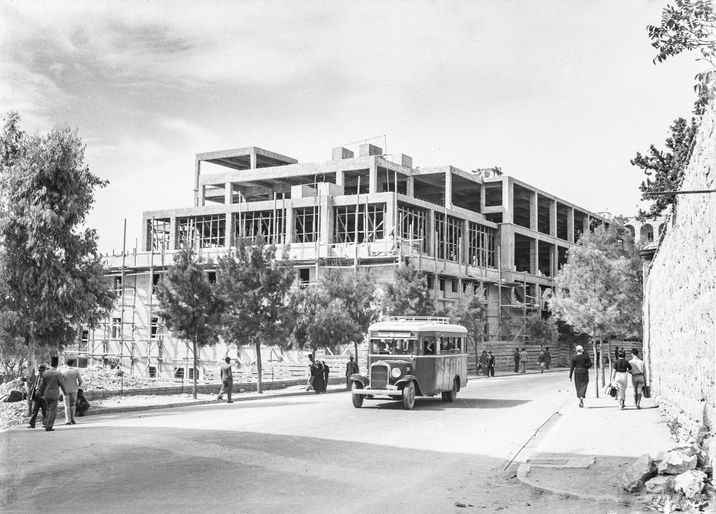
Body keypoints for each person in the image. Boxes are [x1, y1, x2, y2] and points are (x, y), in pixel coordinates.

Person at [37, 356, 66, 431]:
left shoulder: (45, 373)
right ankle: (49, 426)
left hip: (46, 395)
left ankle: (45, 423)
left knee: (47, 410)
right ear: (57, 365)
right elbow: (62, 384)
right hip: (54, 395)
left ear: (50, 364)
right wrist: (65, 393)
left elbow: (41, 385)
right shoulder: (58, 373)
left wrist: (40, 394)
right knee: (53, 411)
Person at [62, 357, 83, 425]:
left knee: (66, 405)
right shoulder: (76, 371)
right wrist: (78, 386)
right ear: (73, 363)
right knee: (73, 405)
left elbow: (61, 381)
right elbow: (81, 380)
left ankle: (68, 420)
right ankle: (73, 419)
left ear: (66, 363)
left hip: (65, 390)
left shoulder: (63, 371)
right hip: (74, 390)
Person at [28, 364, 48, 429]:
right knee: (34, 410)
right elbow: (34, 386)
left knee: (44, 411)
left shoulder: (47, 378)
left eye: (42, 370)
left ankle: (45, 423)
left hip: (43, 396)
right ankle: (32, 424)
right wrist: (31, 396)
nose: (40, 372)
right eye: (39, 370)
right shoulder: (37, 377)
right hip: (37, 395)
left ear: (45, 370)